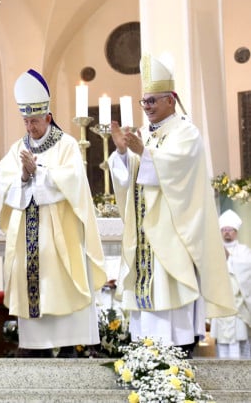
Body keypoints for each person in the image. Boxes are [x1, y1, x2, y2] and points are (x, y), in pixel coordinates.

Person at [108, 53, 234, 356]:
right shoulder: (143, 135)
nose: (147, 107)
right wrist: (124, 155)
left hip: (172, 234)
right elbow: (129, 179)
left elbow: (180, 173)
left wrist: (145, 155)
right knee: (146, 305)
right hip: (144, 236)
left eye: (152, 101)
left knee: (171, 296)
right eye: (144, 102)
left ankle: (178, 351)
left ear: (171, 100)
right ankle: (145, 356)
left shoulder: (185, 132)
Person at [0, 69, 106, 358]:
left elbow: (73, 181)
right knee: (33, 284)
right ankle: (36, 346)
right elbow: (4, 181)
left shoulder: (67, 144)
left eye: (34, 120)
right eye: (25, 121)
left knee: (62, 282)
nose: (29, 126)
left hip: (60, 232)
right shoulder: (17, 148)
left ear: (48, 117)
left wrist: (39, 173)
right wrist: (21, 177)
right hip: (28, 237)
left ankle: (69, 344)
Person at [209, 210, 251, 358]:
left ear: (236, 231)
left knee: (241, 342)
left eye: (230, 230)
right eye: (224, 230)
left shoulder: (244, 251)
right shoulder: (214, 251)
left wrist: (229, 259)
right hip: (222, 304)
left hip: (239, 306)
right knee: (223, 345)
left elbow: (245, 269)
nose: (227, 233)